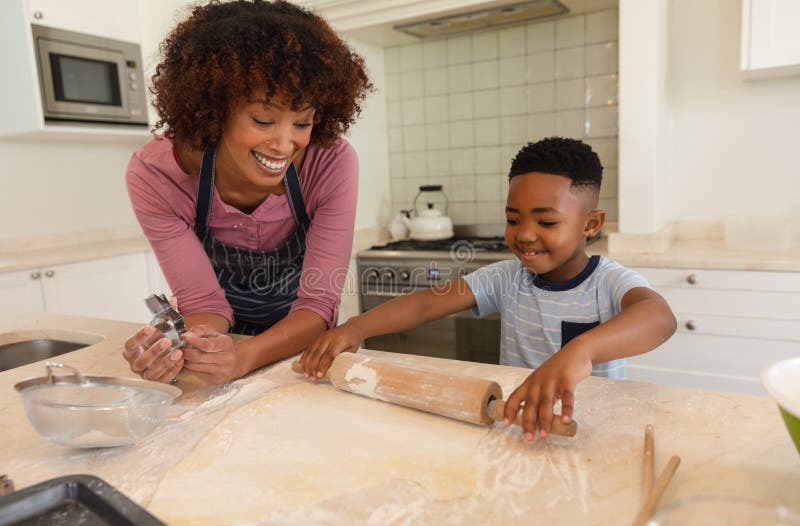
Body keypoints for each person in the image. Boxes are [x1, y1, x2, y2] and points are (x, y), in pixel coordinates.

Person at [299, 137, 677, 441]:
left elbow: (659, 318)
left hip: (588, 430)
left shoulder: (607, 282)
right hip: (515, 423)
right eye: (513, 219)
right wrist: (355, 328)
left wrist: (582, 350)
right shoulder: (507, 278)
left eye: (546, 222)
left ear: (590, 224)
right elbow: (426, 305)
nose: (525, 234)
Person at [122, 0, 373, 385]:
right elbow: (204, 304)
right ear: (214, 109)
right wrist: (192, 347)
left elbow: (318, 304)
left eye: (302, 122)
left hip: (301, 350)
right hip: (227, 346)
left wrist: (243, 358)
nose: (285, 144)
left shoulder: (331, 163)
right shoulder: (157, 174)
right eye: (264, 120)